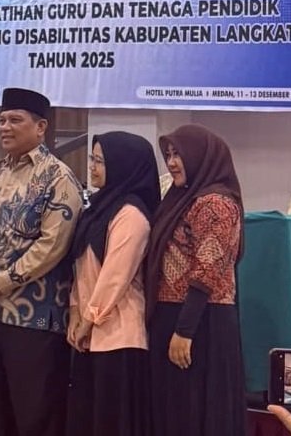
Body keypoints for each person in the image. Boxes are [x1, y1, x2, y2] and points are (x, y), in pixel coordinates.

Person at [0, 87, 82, 436]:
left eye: (15, 120)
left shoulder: (58, 177)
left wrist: (1, 283)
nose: (5, 127)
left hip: (33, 318)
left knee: (34, 415)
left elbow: (53, 245)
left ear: (41, 127)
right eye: (1, 120)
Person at [146, 124, 246, 436]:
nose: (172, 162)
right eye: (168, 155)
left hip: (200, 323)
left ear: (200, 156)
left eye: (179, 154)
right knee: (175, 412)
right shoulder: (182, 199)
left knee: (195, 411)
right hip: (174, 317)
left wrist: (184, 330)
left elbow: (207, 272)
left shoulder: (215, 203)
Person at [65, 132, 160, 436]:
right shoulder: (97, 209)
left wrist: (88, 319)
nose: (92, 167)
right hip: (90, 334)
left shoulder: (132, 215)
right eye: (92, 159)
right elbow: (82, 268)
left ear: (123, 166)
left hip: (120, 338)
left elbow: (115, 277)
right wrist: (76, 313)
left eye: (100, 161)